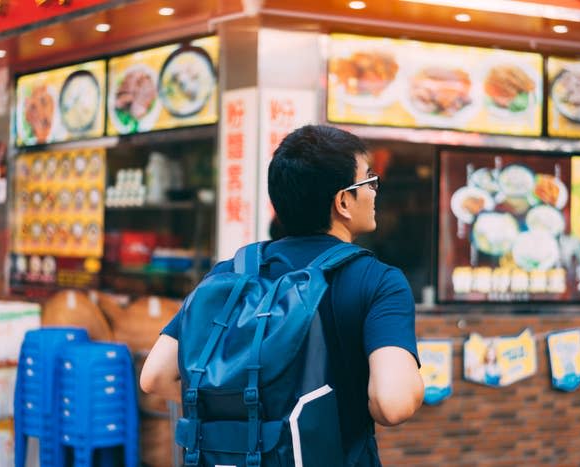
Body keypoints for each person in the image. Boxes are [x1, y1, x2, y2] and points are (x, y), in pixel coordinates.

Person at [140, 124, 424, 465]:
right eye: (369, 181)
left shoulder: (232, 272)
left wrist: (248, 408)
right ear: (344, 201)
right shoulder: (378, 281)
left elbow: (155, 376)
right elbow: (392, 404)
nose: (375, 192)